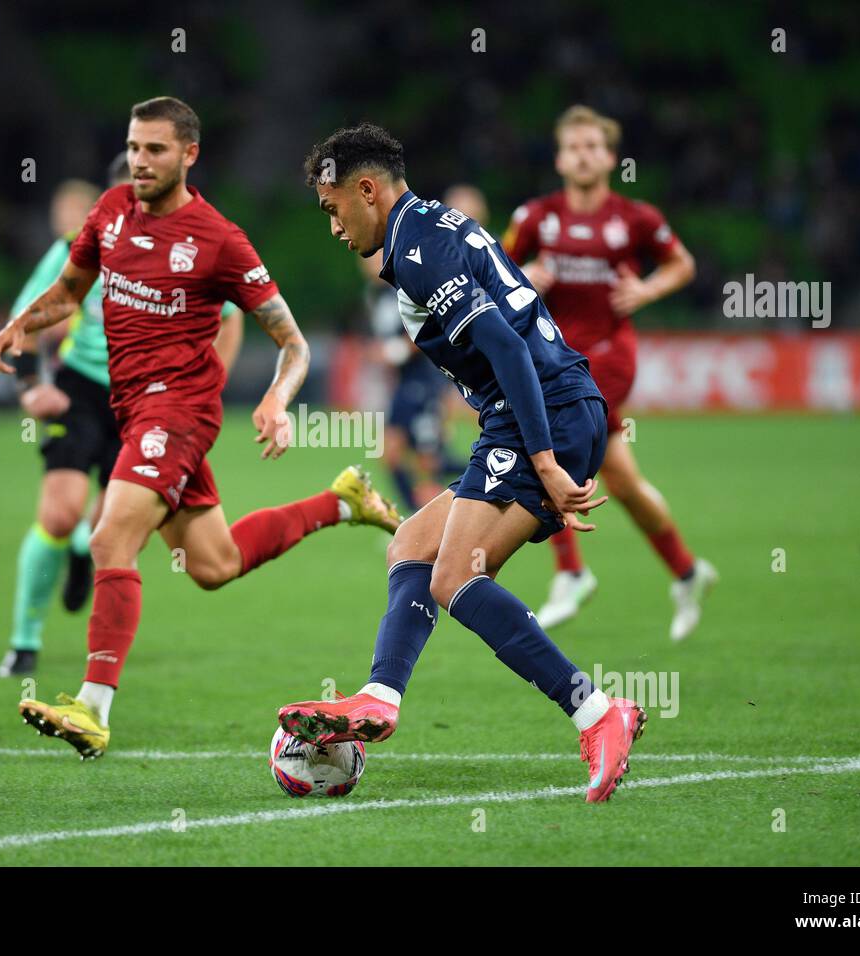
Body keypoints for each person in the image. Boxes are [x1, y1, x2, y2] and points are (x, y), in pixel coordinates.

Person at [0, 98, 399, 759]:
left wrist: (276, 400)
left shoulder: (219, 239)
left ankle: (93, 707)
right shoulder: (111, 212)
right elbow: (69, 291)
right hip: (134, 412)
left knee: (109, 536)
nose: (141, 161)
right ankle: (342, 501)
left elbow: (293, 344)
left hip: (179, 412)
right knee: (214, 563)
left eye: (156, 149)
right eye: (135, 147)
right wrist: (21, 325)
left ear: (188, 155)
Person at [279, 123, 644, 803]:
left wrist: (543, 457)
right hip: (542, 410)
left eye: (332, 209)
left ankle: (598, 713)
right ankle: (381, 697)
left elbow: (505, 348)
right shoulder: (429, 228)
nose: (332, 227)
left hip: (545, 413)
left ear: (366, 190)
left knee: (454, 577)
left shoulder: (416, 247)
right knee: (411, 547)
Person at [0, 156, 243, 677]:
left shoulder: (186, 252)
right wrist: (29, 388)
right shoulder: (77, 248)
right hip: (81, 392)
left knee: (108, 526)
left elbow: (231, 316)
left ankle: (85, 559)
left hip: (150, 404)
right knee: (60, 515)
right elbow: (27, 314)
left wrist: (205, 386)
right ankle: (24, 642)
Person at [503, 105, 715, 640]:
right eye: (573, 146)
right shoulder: (535, 217)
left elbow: (682, 264)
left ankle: (571, 572)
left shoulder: (634, 217)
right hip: (554, 357)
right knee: (621, 481)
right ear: (559, 158)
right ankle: (687, 572)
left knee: (546, 438)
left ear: (611, 158)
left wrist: (647, 289)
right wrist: (524, 275)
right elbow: (496, 267)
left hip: (609, 357)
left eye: (593, 146)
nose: (583, 154)